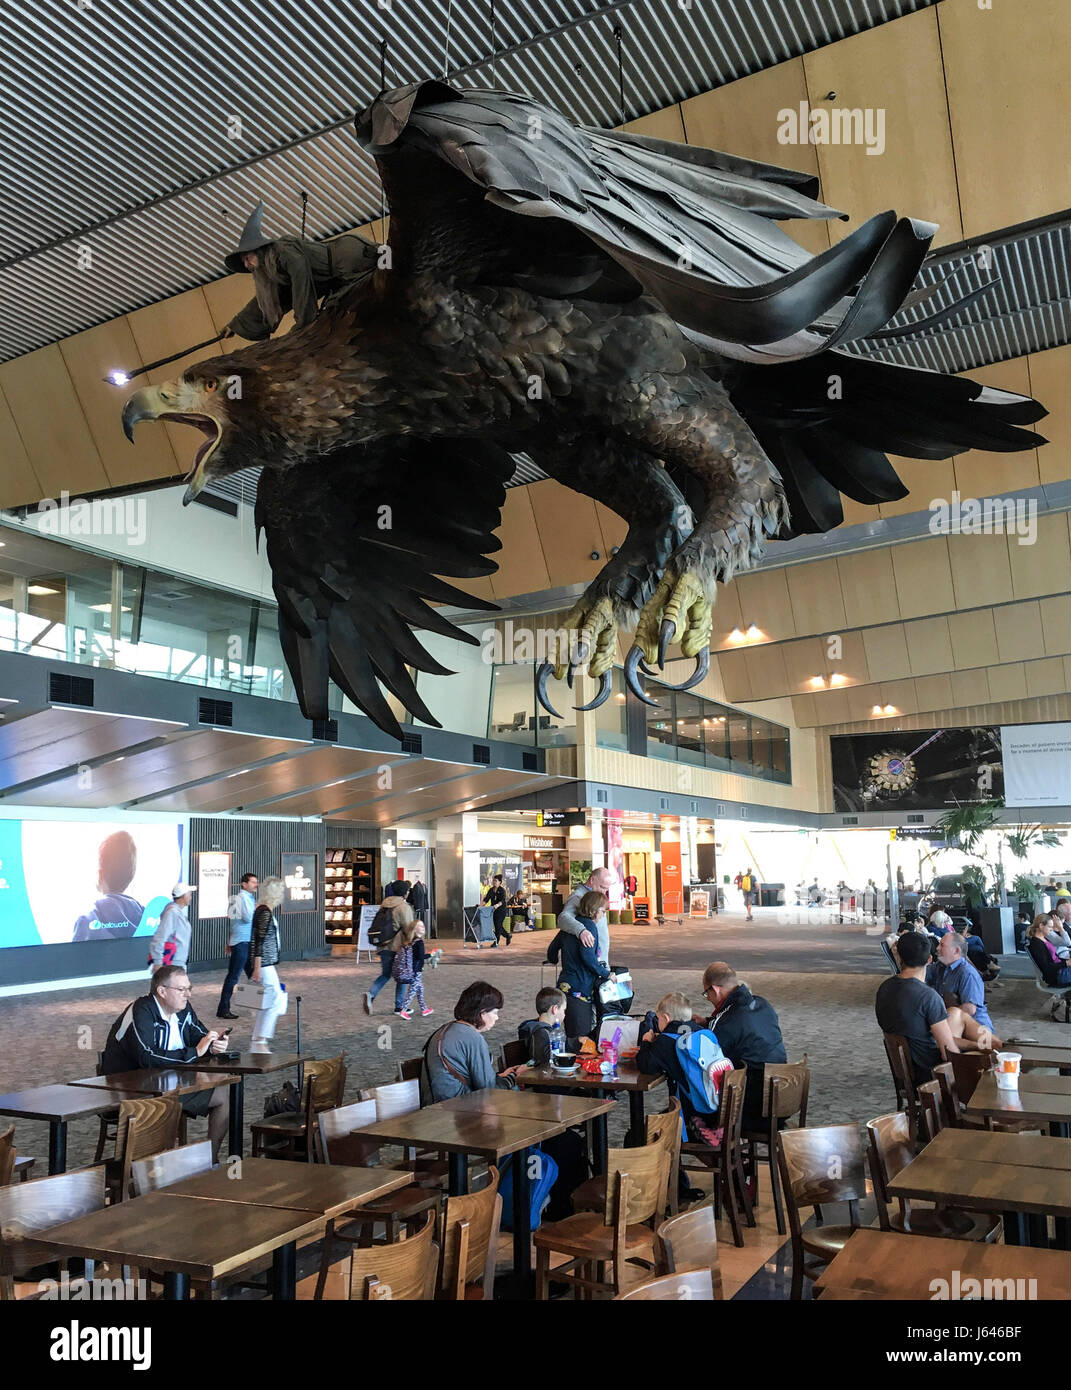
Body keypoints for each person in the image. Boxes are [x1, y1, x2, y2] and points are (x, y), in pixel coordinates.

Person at [100, 964, 231, 1159]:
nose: (188, 994)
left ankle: (209, 1161)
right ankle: (154, 1174)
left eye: (189, 988)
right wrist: (195, 1051)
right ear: (162, 991)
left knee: (224, 1093)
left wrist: (213, 1044)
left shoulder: (183, 1010)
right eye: (181, 989)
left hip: (168, 1087)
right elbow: (147, 1056)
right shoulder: (142, 1010)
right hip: (131, 1093)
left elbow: (200, 1037)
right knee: (164, 1107)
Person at [222, 200, 379, 342]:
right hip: (338, 278)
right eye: (243, 262)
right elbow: (269, 299)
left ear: (258, 250)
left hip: (349, 259)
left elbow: (300, 276)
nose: (246, 264)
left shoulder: (281, 251)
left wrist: (303, 322)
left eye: (247, 257)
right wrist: (236, 325)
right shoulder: (273, 271)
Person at [637, 991, 725, 1204]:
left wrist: (647, 1041)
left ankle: (651, 1198)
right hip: (719, 1115)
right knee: (656, 1124)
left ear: (666, 1018)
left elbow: (646, 1065)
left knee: (640, 1134)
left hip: (692, 1121)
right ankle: (678, 1186)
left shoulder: (666, 1041)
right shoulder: (702, 1032)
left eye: (658, 1018)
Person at [875, 931, 995, 1085]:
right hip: (932, 1075)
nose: (938, 948)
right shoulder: (929, 997)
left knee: (959, 1019)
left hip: (906, 1069)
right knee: (985, 1058)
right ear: (929, 959)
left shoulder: (884, 989)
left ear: (898, 958)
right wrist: (976, 1047)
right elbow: (949, 1053)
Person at [701, 961, 786, 1133]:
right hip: (782, 1100)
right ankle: (734, 1155)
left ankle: (729, 1159)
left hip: (749, 1110)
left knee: (691, 1116)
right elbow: (743, 1027)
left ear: (715, 989)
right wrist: (708, 1023)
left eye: (706, 994)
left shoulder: (726, 1020)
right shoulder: (763, 1004)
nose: (708, 999)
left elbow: (709, 1056)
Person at [420, 982, 523, 1102]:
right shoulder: (473, 1038)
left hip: (435, 1105)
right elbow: (489, 1089)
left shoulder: (444, 1029)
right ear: (482, 1012)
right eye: (495, 1012)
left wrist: (501, 1077)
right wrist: (515, 1076)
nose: (497, 1018)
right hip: (458, 1110)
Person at [547, 891, 614, 1041]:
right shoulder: (589, 927)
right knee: (580, 1038)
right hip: (580, 988)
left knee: (571, 1032)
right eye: (603, 911)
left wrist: (554, 959)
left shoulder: (571, 925)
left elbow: (552, 950)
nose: (603, 915)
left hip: (565, 986)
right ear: (594, 910)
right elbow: (588, 958)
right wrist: (607, 974)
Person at [72, 830, 145, 941]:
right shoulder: (148, 919)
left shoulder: (86, 922)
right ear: (131, 875)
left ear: (100, 875)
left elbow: (74, 957)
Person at [248, 877, 288, 1054]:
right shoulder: (264, 912)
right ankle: (259, 1040)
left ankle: (259, 1039)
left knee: (274, 998)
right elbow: (259, 940)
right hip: (263, 962)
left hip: (265, 962)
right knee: (275, 998)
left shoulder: (264, 910)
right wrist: (256, 966)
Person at [925, 932, 995, 1033]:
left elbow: (970, 1009)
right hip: (955, 1026)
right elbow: (921, 973)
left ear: (956, 951)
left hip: (976, 1029)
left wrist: (940, 1019)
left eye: (942, 945)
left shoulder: (967, 974)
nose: (937, 948)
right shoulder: (940, 966)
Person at [217, 871, 258, 1019]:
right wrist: (257, 908)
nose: (256, 885)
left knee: (252, 974)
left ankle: (254, 1004)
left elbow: (232, 921)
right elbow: (247, 918)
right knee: (234, 977)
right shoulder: (242, 899)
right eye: (253, 882)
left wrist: (229, 941)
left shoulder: (240, 898)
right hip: (241, 942)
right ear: (244, 884)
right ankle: (223, 1009)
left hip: (240, 941)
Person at [363, 897, 410, 1015]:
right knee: (402, 976)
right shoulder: (403, 907)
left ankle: (371, 994)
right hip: (398, 947)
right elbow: (409, 928)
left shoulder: (383, 906)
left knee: (385, 974)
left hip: (383, 946)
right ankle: (399, 1007)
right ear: (405, 892)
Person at [559, 867, 615, 954]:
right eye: (602, 887)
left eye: (606, 889)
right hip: (590, 958)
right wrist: (581, 931)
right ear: (592, 880)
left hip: (597, 956)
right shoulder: (578, 897)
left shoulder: (595, 897)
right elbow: (563, 918)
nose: (604, 892)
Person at [149, 882, 196, 970]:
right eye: (189, 894)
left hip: (176, 962)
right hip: (172, 963)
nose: (191, 897)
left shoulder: (176, 912)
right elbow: (160, 937)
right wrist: (158, 961)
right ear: (184, 896)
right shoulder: (172, 913)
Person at [518, 987, 569, 1067]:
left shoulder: (533, 1027)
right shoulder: (542, 1033)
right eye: (563, 1010)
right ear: (555, 1009)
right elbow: (544, 1065)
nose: (564, 1014)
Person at [395, 919, 434, 1020]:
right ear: (415, 930)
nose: (423, 927)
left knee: (420, 988)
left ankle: (424, 1009)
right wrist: (431, 954)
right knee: (412, 990)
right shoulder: (419, 942)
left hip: (411, 969)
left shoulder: (412, 941)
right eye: (420, 926)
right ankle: (403, 1010)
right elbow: (420, 957)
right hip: (417, 970)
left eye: (423, 925)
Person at [1028, 916, 1071, 987]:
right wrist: (1066, 963)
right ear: (1041, 925)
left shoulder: (1043, 939)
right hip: (1057, 975)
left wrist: (1066, 962)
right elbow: (1046, 967)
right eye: (1050, 927)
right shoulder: (1036, 944)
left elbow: (1054, 959)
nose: (1052, 929)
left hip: (1060, 970)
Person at [484, 875, 510, 947]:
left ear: (500, 882)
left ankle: (496, 942)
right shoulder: (491, 890)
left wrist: (497, 905)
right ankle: (508, 935)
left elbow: (502, 900)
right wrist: (480, 905)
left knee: (498, 926)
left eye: (496, 881)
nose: (494, 882)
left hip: (501, 911)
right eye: (493, 880)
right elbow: (486, 899)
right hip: (494, 911)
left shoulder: (502, 890)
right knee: (498, 926)